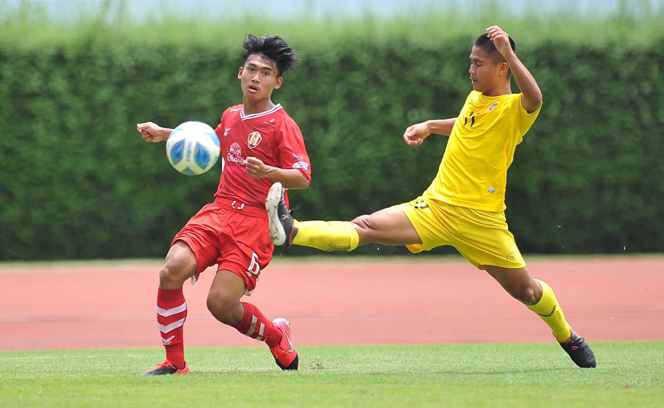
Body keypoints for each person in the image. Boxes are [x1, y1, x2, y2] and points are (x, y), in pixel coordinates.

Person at [266, 26, 595, 368]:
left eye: (478, 63)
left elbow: (535, 98)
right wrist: (430, 126)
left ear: (502, 68)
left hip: (482, 221)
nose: (470, 69)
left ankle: (567, 336)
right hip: (436, 208)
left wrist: (510, 53)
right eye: (470, 62)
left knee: (527, 291)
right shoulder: (476, 99)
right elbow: (467, 123)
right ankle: (291, 230)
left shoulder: (514, 109)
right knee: (366, 226)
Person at [136, 34, 311, 375]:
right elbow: (212, 143)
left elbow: (303, 176)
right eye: (251, 69)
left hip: (256, 224)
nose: (256, 77)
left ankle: (277, 335)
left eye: (266, 73)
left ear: (277, 82)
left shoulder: (283, 125)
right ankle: (175, 363)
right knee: (171, 270)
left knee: (220, 304)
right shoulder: (231, 115)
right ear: (240, 73)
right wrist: (165, 133)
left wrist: (268, 172)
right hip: (219, 211)